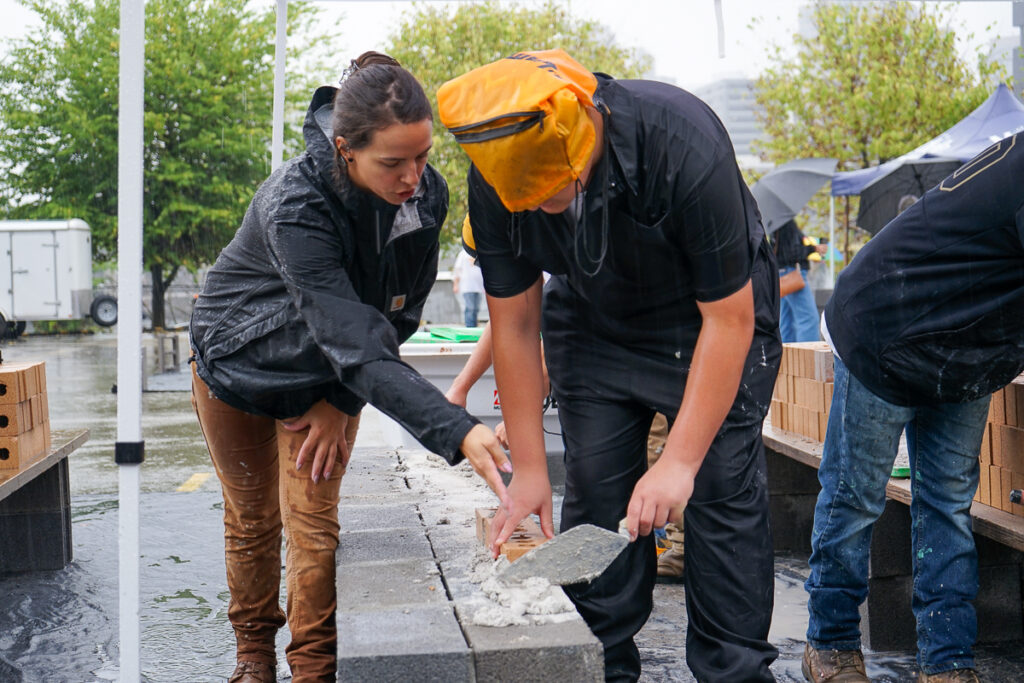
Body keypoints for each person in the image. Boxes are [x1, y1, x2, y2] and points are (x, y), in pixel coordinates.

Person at [438, 49, 781, 682]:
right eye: (531, 201)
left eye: (556, 190)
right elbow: (516, 324)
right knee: (598, 497)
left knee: (718, 492)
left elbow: (729, 321)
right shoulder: (491, 176)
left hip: (705, 320)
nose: (547, 208)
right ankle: (601, 665)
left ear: (585, 127)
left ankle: (733, 670)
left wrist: (678, 463)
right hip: (593, 323)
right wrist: (531, 470)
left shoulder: (681, 142)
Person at [189, 51, 509, 683]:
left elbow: (398, 315)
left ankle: (314, 671)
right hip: (237, 366)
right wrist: (457, 428)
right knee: (253, 521)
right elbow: (350, 335)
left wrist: (341, 402)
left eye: (422, 156)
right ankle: (253, 659)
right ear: (345, 150)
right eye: (392, 163)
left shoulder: (425, 196)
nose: (412, 177)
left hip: (330, 377)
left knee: (312, 524)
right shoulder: (295, 203)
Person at [803, 133, 1024, 683]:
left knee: (948, 503)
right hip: (887, 326)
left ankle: (946, 661)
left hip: (967, 347)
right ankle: (831, 645)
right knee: (856, 497)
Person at [772, 218, 825, 342]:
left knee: (786, 321)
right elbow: (793, 252)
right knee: (809, 319)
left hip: (781, 275)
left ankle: (785, 354)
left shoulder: (775, 225)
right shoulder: (787, 223)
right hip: (792, 274)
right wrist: (814, 249)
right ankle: (808, 354)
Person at [451, 243, 486, 327]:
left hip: (478, 287)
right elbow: (457, 270)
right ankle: (470, 327)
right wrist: (455, 284)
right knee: (470, 308)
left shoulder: (479, 252)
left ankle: (474, 326)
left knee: (476, 309)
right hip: (468, 286)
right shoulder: (463, 254)